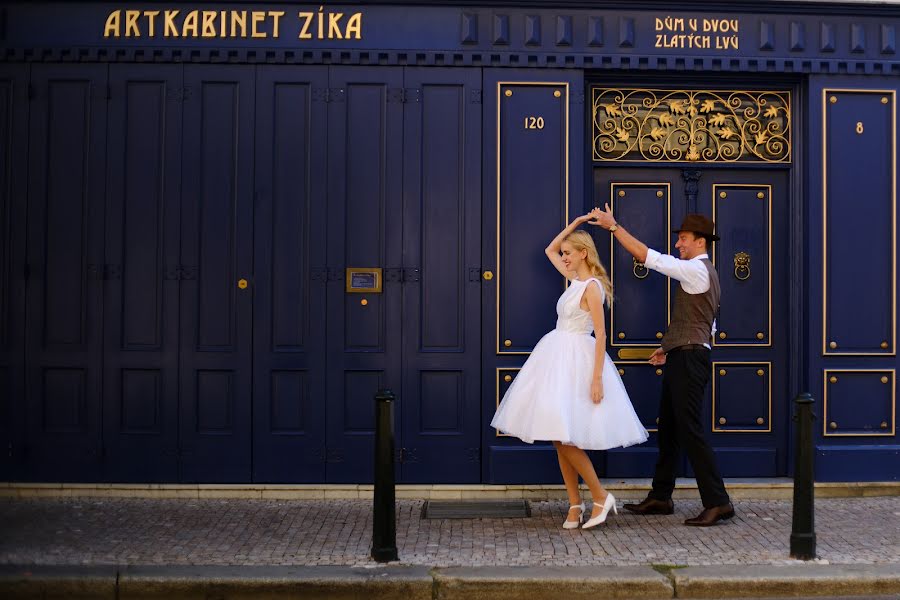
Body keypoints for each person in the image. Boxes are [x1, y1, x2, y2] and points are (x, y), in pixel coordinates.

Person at [491, 210, 649, 530]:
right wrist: (575, 225)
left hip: (577, 360)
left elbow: (602, 335)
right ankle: (575, 504)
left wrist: (596, 379)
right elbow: (548, 249)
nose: (562, 257)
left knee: (567, 438)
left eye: (568, 253)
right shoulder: (573, 280)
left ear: (583, 254)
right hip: (555, 357)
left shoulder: (590, 286)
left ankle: (600, 496)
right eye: (564, 254)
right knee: (557, 435)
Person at [590, 205, 735, 527]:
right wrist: (669, 348)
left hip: (690, 359)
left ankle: (718, 502)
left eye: (683, 239)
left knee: (690, 429)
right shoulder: (704, 273)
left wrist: (614, 227)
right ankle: (661, 496)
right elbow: (703, 324)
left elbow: (648, 257)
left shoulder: (697, 269)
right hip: (685, 354)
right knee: (669, 428)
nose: (679, 244)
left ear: (700, 242)